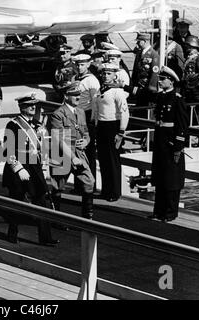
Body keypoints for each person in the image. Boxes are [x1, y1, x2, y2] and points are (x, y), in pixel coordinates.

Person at [2, 93, 59, 246]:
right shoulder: (13, 125)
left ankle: (45, 237)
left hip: (34, 166)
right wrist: (19, 169)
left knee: (41, 201)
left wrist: (44, 167)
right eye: (29, 105)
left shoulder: (37, 125)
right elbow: (7, 151)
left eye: (34, 104)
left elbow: (42, 148)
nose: (33, 107)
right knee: (16, 201)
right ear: (21, 107)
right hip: (20, 167)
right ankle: (12, 234)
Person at [48, 81, 95, 219]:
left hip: (79, 152)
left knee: (89, 181)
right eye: (74, 94)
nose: (78, 97)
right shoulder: (59, 114)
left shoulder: (80, 112)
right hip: (62, 153)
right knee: (58, 187)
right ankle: (55, 218)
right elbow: (58, 138)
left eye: (79, 94)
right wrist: (72, 157)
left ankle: (88, 217)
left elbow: (86, 132)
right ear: (66, 95)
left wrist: (86, 141)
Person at [150, 66, 189, 222]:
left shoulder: (177, 99)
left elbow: (182, 125)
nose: (160, 81)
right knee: (160, 177)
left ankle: (170, 212)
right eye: (159, 78)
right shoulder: (161, 97)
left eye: (163, 79)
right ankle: (158, 211)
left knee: (171, 179)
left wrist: (178, 146)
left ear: (171, 81)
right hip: (160, 142)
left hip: (171, 143)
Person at [93, 63, 129, 202]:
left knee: (113, 160)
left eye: (109, 74)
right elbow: (97, 110)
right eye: (104, 73)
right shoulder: (100, 89)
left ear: (115, 75)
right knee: (103, 160)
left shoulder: (117, 92)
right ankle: (106, 190)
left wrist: (121, 132)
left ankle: (114, 192)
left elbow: (124, 112)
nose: (106, 76)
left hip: (112, 126)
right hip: (101, 126)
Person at [71, 54, 100, 182]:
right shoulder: (74, 78)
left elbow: (95, 102)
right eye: (77, 64)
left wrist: (93, 121)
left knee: (88, 152)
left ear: (88, 64)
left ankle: (89, 183)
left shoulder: (91, 80)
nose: (79, 67)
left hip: (87, 116)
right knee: (77, 150)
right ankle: (79, 182)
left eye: (82, 64)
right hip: (76, 115)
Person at [181, 35, 199, 125]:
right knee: (190, 118)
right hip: (190, 94)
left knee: (197, 119)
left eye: (188, 46)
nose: (186, 47)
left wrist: (192, 79)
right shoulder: (189, 58)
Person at [131, 33, 160, 107]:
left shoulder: (154, 55)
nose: (137, 43)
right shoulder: (139, 53)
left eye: (139, 41)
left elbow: (155, 73)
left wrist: (151, 88)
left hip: (146, 88)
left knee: (145, 108)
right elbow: (135, 70)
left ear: (145, 41)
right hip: (138, 87)